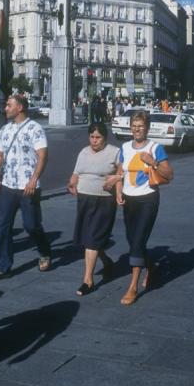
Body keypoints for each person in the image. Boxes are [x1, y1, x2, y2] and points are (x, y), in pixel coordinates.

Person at [105, 110, 173, 305]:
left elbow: (169, 174)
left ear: (147, 128)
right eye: (134, 126)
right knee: (133, 239)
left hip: (148, 199)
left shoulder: (155, 147)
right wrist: (118, 191)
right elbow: (120, 171)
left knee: (136, 242)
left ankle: (133, 287)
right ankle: (150, 266)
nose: (137, 129)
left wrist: (153, 162)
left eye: (140, 126)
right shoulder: (125, 147)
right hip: (129, 200)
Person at [0, 94, 52, 281]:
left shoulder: (35, 129)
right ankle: (3, 266)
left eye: (8, 105)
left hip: (28, 187)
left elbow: (42, 156)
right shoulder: (5, 130)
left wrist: (34, 180)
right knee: (2, 227)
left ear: (20, 108)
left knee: (31, 225)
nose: (5, 108)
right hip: (8, 185)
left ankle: (44, 251)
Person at [67, 122, 119, 296]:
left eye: (98, 137)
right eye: (92, 137)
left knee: (93, 237)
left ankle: (87, 280)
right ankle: (106, 261)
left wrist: (116, 180)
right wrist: (72, 182)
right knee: (88, 237)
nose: (94, 141)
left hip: (104, 201)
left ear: (105, 138)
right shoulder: (83, 152)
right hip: (84, 199)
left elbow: (123, 172)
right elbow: (76, 173)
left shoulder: (114, 152)